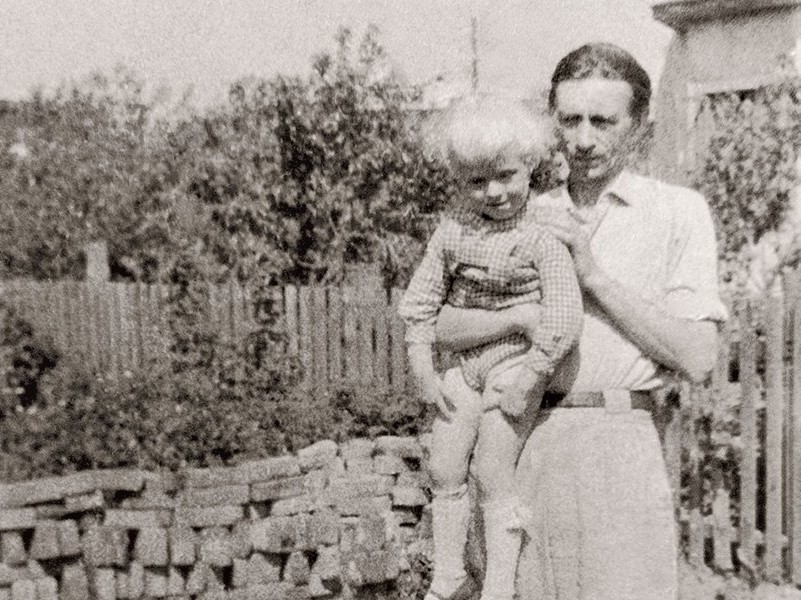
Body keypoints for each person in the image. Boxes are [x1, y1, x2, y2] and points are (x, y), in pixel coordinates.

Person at [435, 43, 728, 600]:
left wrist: (592, 276)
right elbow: (442, 324)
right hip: (520, 440)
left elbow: (698, 356)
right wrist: (519, 318)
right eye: (570, 120)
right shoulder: (515, 208)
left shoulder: (677, 212)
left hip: (620, 444)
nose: (584, 139)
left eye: (603, 121)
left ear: (639, 124)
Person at [398, 97, 583, 600]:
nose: (494, 192)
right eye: (477, 182)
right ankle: (449, 573)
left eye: (505, 176)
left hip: (517, 363)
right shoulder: (453, 231)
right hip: (462, 364)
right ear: (459, 180)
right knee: (444, 464)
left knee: (492, 469)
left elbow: (563, 317)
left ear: (529, 164)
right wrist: (422, 367)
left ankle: (498, 585)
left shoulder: (542, 235)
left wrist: (531, 377)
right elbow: (421, 301)